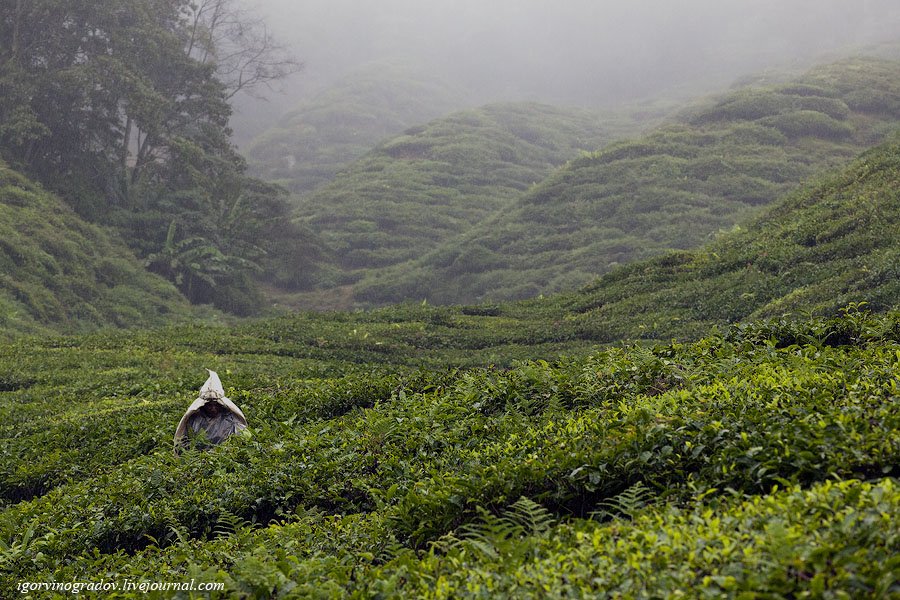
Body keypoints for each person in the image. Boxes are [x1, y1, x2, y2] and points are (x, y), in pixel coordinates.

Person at [174, 370, 248, 455]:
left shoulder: (230, 419)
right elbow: (182, 444)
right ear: (203, 405)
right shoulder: (194, 420)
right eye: (209, 405)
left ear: (221, 404)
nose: (213, 409)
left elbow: (241, 442)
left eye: (216, 405)